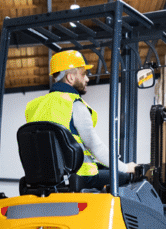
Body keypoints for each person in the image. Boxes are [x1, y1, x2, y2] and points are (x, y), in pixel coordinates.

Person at [24, 50, 135, 190]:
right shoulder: (74, 103)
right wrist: (126, 168)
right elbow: (94, 146)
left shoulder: (33, 106)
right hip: (79, 175)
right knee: (128, 178)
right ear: (70, 78)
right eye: (83, 74)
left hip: (44, 179)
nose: (87, 79)